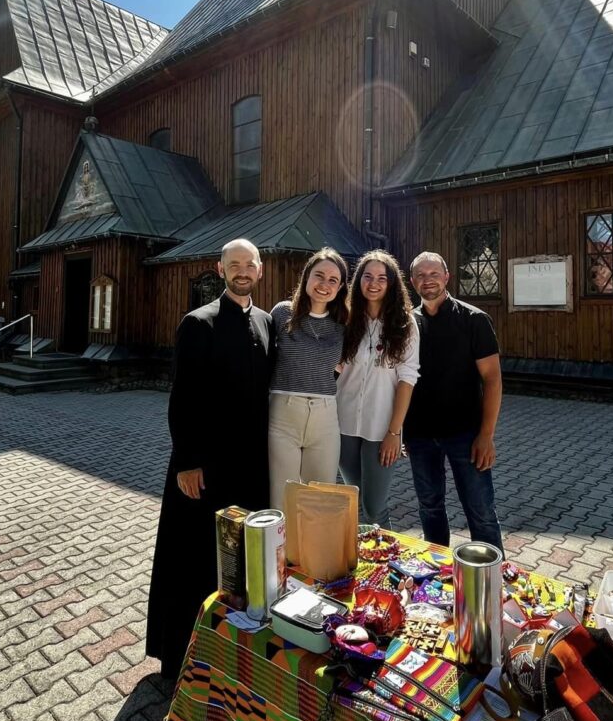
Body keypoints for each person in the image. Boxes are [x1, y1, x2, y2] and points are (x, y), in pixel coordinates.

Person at [146, 238, 272, 680]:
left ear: (260, 269)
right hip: (205, 465)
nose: (242, 271)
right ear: (221, 270)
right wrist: (186, 460)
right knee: (194, 558)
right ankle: (180, 654)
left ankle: (235, 649)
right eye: (234, 265)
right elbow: (182, 398)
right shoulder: (198, 323)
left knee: (242, 560)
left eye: (249, 264)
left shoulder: (266, 322)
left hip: (251, 465)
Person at [404, 251, 504, 551]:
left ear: (447, 277)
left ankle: (492, 573)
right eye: (421, 275)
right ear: (412, 281)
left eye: (434, 273)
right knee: (430, 508)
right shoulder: (408, 324)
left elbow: (492, 379)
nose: (428, 280)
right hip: (420, 436)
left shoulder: (474, 320)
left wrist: (486, 435)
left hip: (466, 435)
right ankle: (437, 568)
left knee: (481, 512)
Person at [337, 250, 420, 528]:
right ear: (358, 280)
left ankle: (386, 553)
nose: (374, 283)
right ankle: (363, 551)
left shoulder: (405, 324)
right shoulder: (346, 319)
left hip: (381, 428)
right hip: (344, 424)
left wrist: (394, 433)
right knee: (357, 498)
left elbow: (407, 379)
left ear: (392, 283)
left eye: (382, 278)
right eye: (368, 276)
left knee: (374, 506)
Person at [268, 248, 348, 509]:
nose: (324, 285)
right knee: (282, 499)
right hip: (283, 416)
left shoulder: (344, 323)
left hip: (325, 418)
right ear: (306, 276)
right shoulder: (282, 313)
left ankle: (315, 540)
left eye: (333, 280)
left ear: (340, 287)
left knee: (321, 499)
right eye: (319, 276)